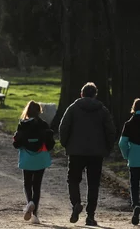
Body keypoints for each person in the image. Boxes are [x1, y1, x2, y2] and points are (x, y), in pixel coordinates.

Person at [59, 82, 116, 227]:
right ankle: (90, 216)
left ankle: (76, 203)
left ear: (81, 94)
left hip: (76, 151)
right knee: (93, 184)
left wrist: (66, 144)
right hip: (96, 153)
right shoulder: (102, 110)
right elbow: (110, 130)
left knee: (73, 179)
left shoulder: (72, 108)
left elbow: (63, 127)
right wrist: (107, 148)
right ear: (95, 94)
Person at [13, 100, 55, 224]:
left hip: (27, 156)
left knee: (27, 182)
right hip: (41, 156)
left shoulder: (22, 125)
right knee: (37, 185)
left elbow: (16, 143)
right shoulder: (44, 125)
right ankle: (35, 215)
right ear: (39, 111)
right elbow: (50, 143)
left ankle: (29, 202)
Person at [119, 98, 140, 225]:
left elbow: (122, 143)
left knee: (134, 183)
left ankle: (136, 205)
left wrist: (127, 155)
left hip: (134, 158)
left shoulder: (129, 124)